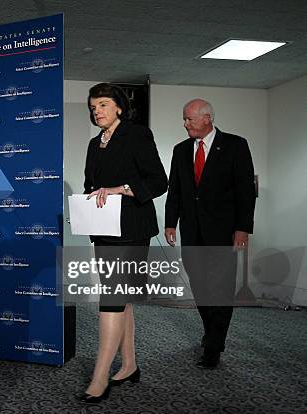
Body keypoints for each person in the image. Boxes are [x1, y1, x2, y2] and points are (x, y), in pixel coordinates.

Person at [77, 83, 167, 404]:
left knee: (112, 298)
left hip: (131, 228)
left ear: (118, 107)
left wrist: (120, 189)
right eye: (93, 107)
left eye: (102, 105)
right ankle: (129, 365)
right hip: (103, 228)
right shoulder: (93, 143)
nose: (96, 111)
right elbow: (93, 183)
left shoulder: (138, 134)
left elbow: (159, 182)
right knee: (121, 297)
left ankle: (100, 375)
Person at [164, 98, 256, 369]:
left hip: (224, 233)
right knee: (201, 286)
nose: (185, 124)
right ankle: (210, 332)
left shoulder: (236, 146)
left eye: (189, 119)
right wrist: (171, 223)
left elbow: (245, 191)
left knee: (221, 289)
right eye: (184, 118)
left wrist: (242, 228)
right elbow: (176, 190)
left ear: (207, 119)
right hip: (192, 232)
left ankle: (214, 346)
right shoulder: (180, 150)